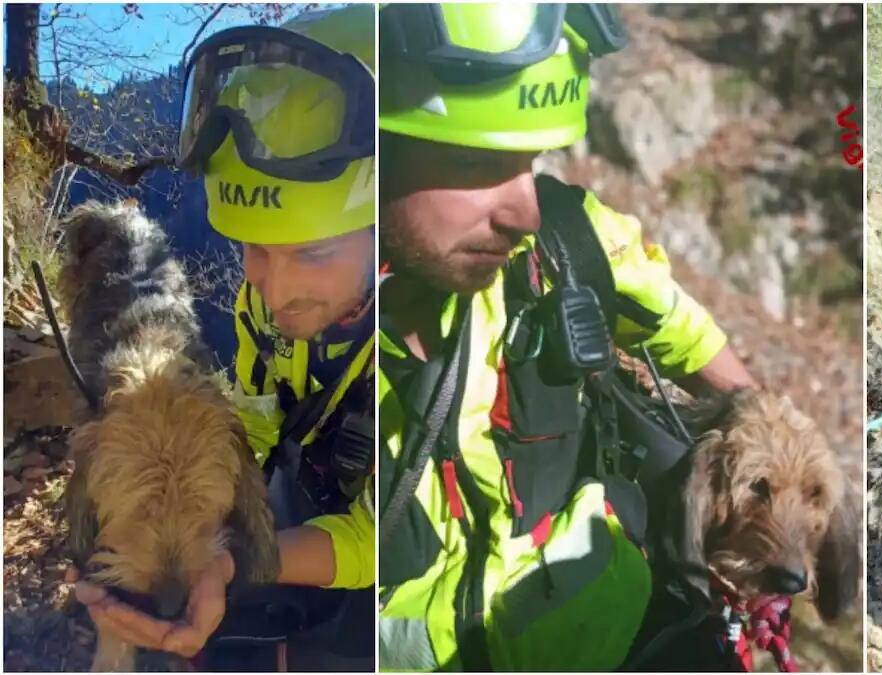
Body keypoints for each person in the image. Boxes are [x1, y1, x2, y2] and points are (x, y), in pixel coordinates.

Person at [375, 3, 756, 670]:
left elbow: (696, 344)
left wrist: (769, 470)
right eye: (480, 159)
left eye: (531, 158)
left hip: (635, 629)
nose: (525, 210)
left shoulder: (570, 244)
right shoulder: (304, 329)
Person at [68, 5, 376, 669]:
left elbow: (385, 533)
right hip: (319, 486)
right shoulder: (264, 312)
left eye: (313, 251)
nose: (273, 287)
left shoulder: (422, 344)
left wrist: (236, 563)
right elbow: (258, 424)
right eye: (253, 250)